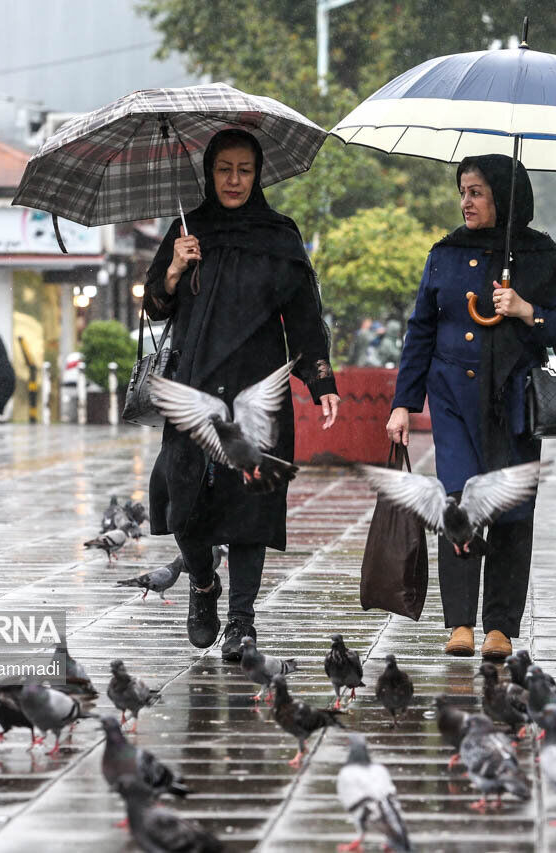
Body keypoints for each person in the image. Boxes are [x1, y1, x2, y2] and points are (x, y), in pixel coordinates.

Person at [143, 129, 340, 658]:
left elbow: (303, 317)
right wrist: (175, 268)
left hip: (258, 388)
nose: (233, 180)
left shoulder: (279, 234)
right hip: (195, 387)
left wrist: (321, 380)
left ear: (257, 176)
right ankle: (203, 584)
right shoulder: (188, 229)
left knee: (251, 509)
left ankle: (242, 623)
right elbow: (154, 307)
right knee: (183, 504)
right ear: (209, 173)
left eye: (244, 170)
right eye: (224, 169)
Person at [386, 154, 556, 660]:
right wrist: (403, 404)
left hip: (514, 402)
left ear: (504, 196)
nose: (465, 201)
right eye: (463, 191)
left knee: (513, 511)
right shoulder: (444, 253)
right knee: (461, 505)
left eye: (476, 192)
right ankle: (459, 625)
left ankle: (500, 626)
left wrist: (525, 311)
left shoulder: (538, 255)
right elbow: (421, 329)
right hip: (452, 398)